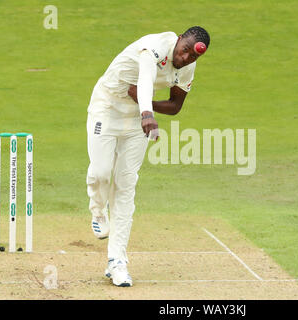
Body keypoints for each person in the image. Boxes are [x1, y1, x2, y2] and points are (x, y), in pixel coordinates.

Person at [86, 26, 210, 287]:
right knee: (100, 173)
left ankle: (117, 262)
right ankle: (97, 210)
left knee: (125, 185)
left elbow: (175, 106)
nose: (185, 58)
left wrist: (146, 110)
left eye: (193, 57)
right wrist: (147, 114)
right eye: (184, 49)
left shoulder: (188, 67)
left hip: (137, 119)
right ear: (179, 40)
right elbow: (145, 79)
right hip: (107, 108)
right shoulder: (155, 45)